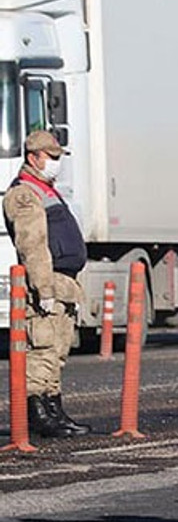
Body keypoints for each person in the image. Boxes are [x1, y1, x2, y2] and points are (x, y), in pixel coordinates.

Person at [2, 130, 89, 439]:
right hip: (48, 282)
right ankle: (39, 414)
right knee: (42, 349)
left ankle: (53, 408)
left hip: (64, 282)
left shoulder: (46, 189)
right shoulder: (25, 193)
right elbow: (33, 245)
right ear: (33, 157)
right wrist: (44, 289)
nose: (56, 163)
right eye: (51, 157)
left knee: (57, 350)